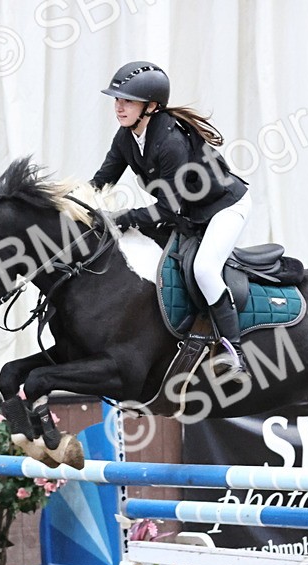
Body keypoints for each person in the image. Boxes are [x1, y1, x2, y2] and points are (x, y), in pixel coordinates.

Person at [89, 61, 251, 377]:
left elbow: (167, 210)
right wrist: (71, 204)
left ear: (151, 107)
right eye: (117, 99)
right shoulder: (125, 137)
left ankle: (234, 352)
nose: (119, 107)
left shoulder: (170, 142)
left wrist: (120, 218)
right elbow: (101, 182)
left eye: (128, 101)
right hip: (188, 213)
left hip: (224, 208)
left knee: (204, 269)